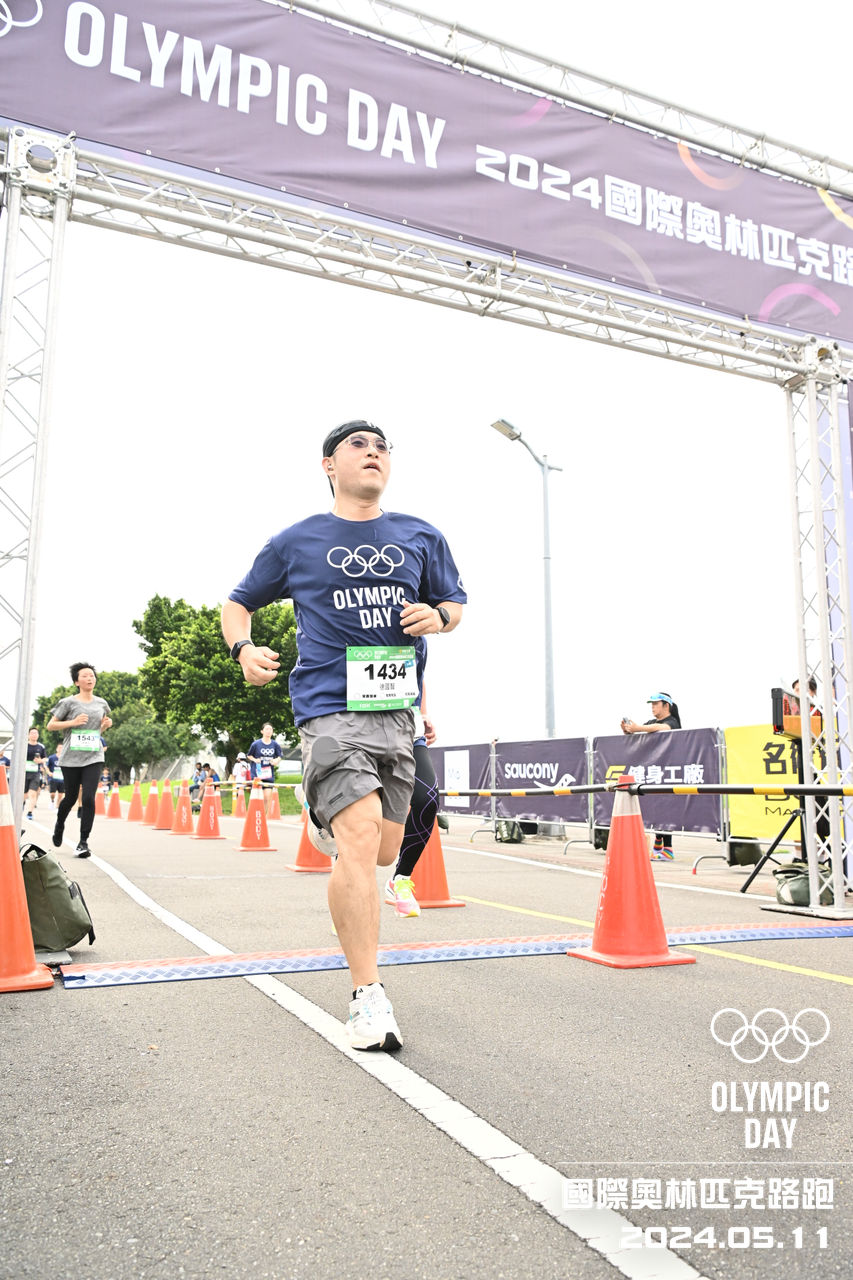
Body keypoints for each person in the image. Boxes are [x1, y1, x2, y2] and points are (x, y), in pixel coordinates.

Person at [222, 419, 465, 1051]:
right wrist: (244, 649)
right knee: (359, 838)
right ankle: (367, 995)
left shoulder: (421, 535)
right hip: (329, 709)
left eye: (382, 446)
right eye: (358, 445)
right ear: (329, 466)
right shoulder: (297, 541)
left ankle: (325, 817)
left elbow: (455, 606)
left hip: (396, 714)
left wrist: (438, 616)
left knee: (384, 851)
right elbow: (238, 603)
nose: (373, 452)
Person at [47, 662, 113, 857]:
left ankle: (83, 842)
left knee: (88, 798)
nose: (89, 678)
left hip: (94, 755)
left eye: (92, 675)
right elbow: (51, 725)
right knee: (70, 797)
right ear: (77, 682)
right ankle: (60, 824)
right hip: (71, 758)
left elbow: (95, 731)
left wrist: (104, 726)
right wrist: (73, 722)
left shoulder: (101, 703)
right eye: (84, 676)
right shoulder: (68, 703)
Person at [384, 695, 439, 918]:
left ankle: (401, 879)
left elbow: (418, 677)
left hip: (408, 729)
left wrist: (423, 712)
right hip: (363, 727)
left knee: (428, 799)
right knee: (358, 810)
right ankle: (347, 906)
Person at [620, 692, 681, 860]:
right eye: (651, 704)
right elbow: (643, 730)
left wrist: (638, 728)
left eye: (656, 704)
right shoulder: (651, 723)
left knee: (665, 808)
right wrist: (628, 730)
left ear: (666, 706)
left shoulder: (672, 722)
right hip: (654, 771)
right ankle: (658, 845)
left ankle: (667, 849)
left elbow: (664, 728)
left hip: (668, 772)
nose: (652, 707)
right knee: (657, 808)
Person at [23, 727, 46, 820]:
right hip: (24, 773)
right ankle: (22, 803)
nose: (34, 735)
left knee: (33, 793)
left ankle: (30, 812)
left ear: (38, 735)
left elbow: (45, 758)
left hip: (35, 773)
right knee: (24, 794)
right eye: (32, 733)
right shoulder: (24, 745)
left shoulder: (41, 747)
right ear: (28, 735)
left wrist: (40, 760)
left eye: (36, 733)